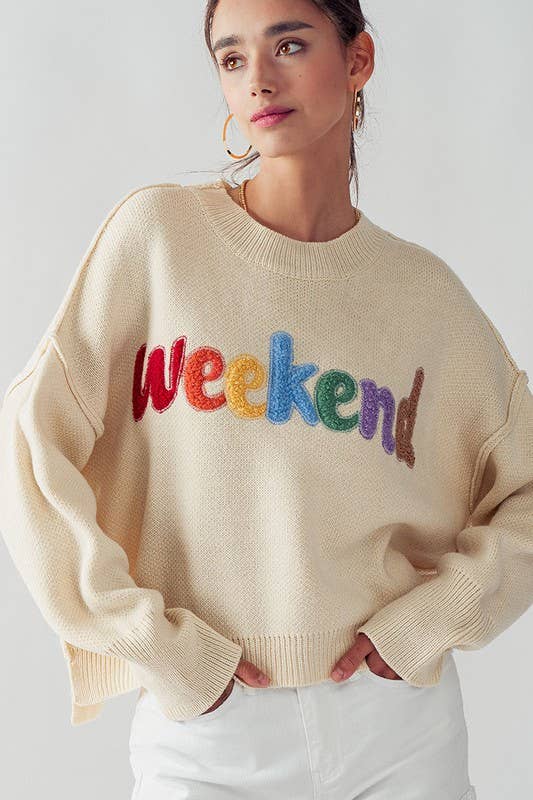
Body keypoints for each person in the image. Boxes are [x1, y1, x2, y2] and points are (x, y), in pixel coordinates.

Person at [0, 0, 531, 798]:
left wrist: (431, 621)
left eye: (288, 45)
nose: (258, 79)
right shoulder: (159, 238)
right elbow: (31, 447)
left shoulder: (425, 296)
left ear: (357, 60)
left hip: (397, 729)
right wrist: (154, 645)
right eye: (231, 58)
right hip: (207, 732)